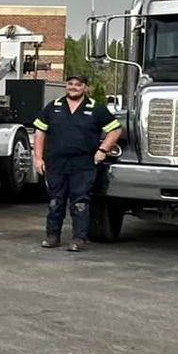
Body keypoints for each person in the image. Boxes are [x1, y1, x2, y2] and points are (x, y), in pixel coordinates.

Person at [34, 72, 123, 252]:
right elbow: (39, 133)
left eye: (78, 84)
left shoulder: (95, 108)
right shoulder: (53, 107)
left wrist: (103, 150)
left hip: (83, 164)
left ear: (85, 88)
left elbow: (115, 130)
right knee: (55, 201)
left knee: (80, 201)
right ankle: (52, 236)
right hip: (56, 163)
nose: (73, 87)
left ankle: (79, 238)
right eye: (70, 84)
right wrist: (38, 158)